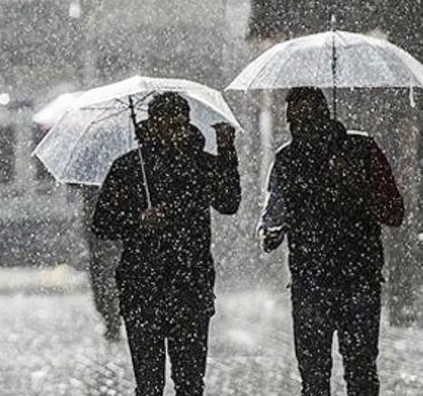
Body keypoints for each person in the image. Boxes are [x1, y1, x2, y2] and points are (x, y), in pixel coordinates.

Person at [91, 93, 240, 396]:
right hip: (142, 288)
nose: (178, 133)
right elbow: (102, 223)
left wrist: (227, 151)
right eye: (171, 126)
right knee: (149, 385)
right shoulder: (130, 167)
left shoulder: (200, 164)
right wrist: (138, 220)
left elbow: (228, 202)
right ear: (154, 125)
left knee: (190, 383)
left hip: (191, 286)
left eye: (182, 125)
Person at [259, 87, 403, 396]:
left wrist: (354, 181)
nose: (300, 127)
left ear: (325, 115)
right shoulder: (287, 160)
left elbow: (393, 212)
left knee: (361, 377)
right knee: (313, 381)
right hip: (310, 282)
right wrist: (270, 234)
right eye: (293, 121)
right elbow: (272, 217)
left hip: (358, 280)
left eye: (307, 118)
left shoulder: (362, 150)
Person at [78, 185, 122, 342]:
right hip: (98, 247)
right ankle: (111, 318)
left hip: (108, 244)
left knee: (106, 283)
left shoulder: (112, 188)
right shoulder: (89, 190)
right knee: (102, 285)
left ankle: (113, 319)